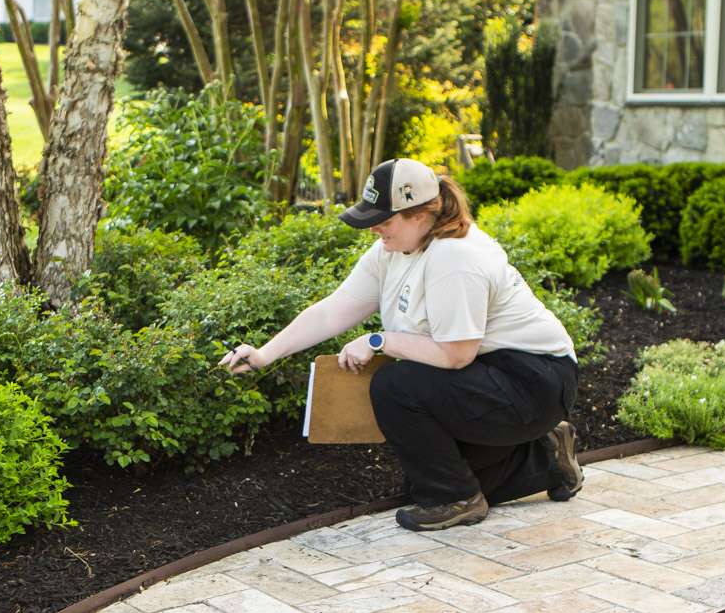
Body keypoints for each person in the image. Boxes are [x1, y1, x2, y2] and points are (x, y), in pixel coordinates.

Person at [219, 157, 584, 531]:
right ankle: (548, 456)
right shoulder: (392, 250)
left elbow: (457, 355)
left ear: (423, 213)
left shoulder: (455, 257)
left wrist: (380, 341)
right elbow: (334, 310)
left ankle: (456, 499)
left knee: (397, 385)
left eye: (385, 219)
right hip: (489, 378)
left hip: (534, 381)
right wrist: (264, 354)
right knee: (423, 481)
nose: (375, 227)